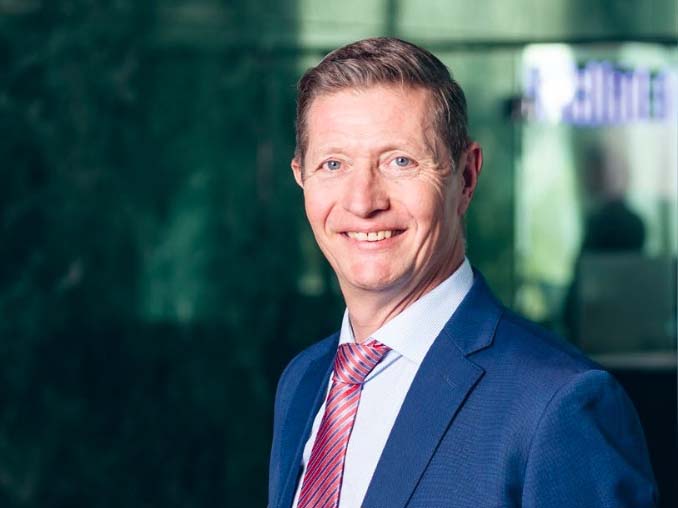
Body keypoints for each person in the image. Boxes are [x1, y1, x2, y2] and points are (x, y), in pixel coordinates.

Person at [268, 37, 657, 508]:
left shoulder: (558, 404)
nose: (363, 202)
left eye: (400, 161)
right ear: (301, 177)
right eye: (333, 164)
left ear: (466, 177)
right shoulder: (304, 380)